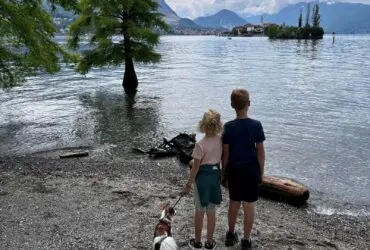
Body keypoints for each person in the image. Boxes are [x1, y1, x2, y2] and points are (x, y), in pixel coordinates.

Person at [221, 88, 266, 250]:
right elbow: (260, 153)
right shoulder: (256, 125)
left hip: (234, 171)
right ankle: (246, 239)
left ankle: (231, 233)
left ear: (232, 105)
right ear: (249, 104)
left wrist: (222, 173)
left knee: (234, 202)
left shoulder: (228, 127)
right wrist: (261, 172)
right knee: (249, 206)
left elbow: (225, 155)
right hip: (251, 171)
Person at [183, 109, 223, 250]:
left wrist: (188, 184)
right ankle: (210, 242)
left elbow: (195, 168)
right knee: (211, 210)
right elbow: (221, 160)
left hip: (202, 180)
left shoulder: (200, 144)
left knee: (199, 210)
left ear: (203, 126)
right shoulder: (221, 140)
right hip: (214, 177)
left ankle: (198, 242)